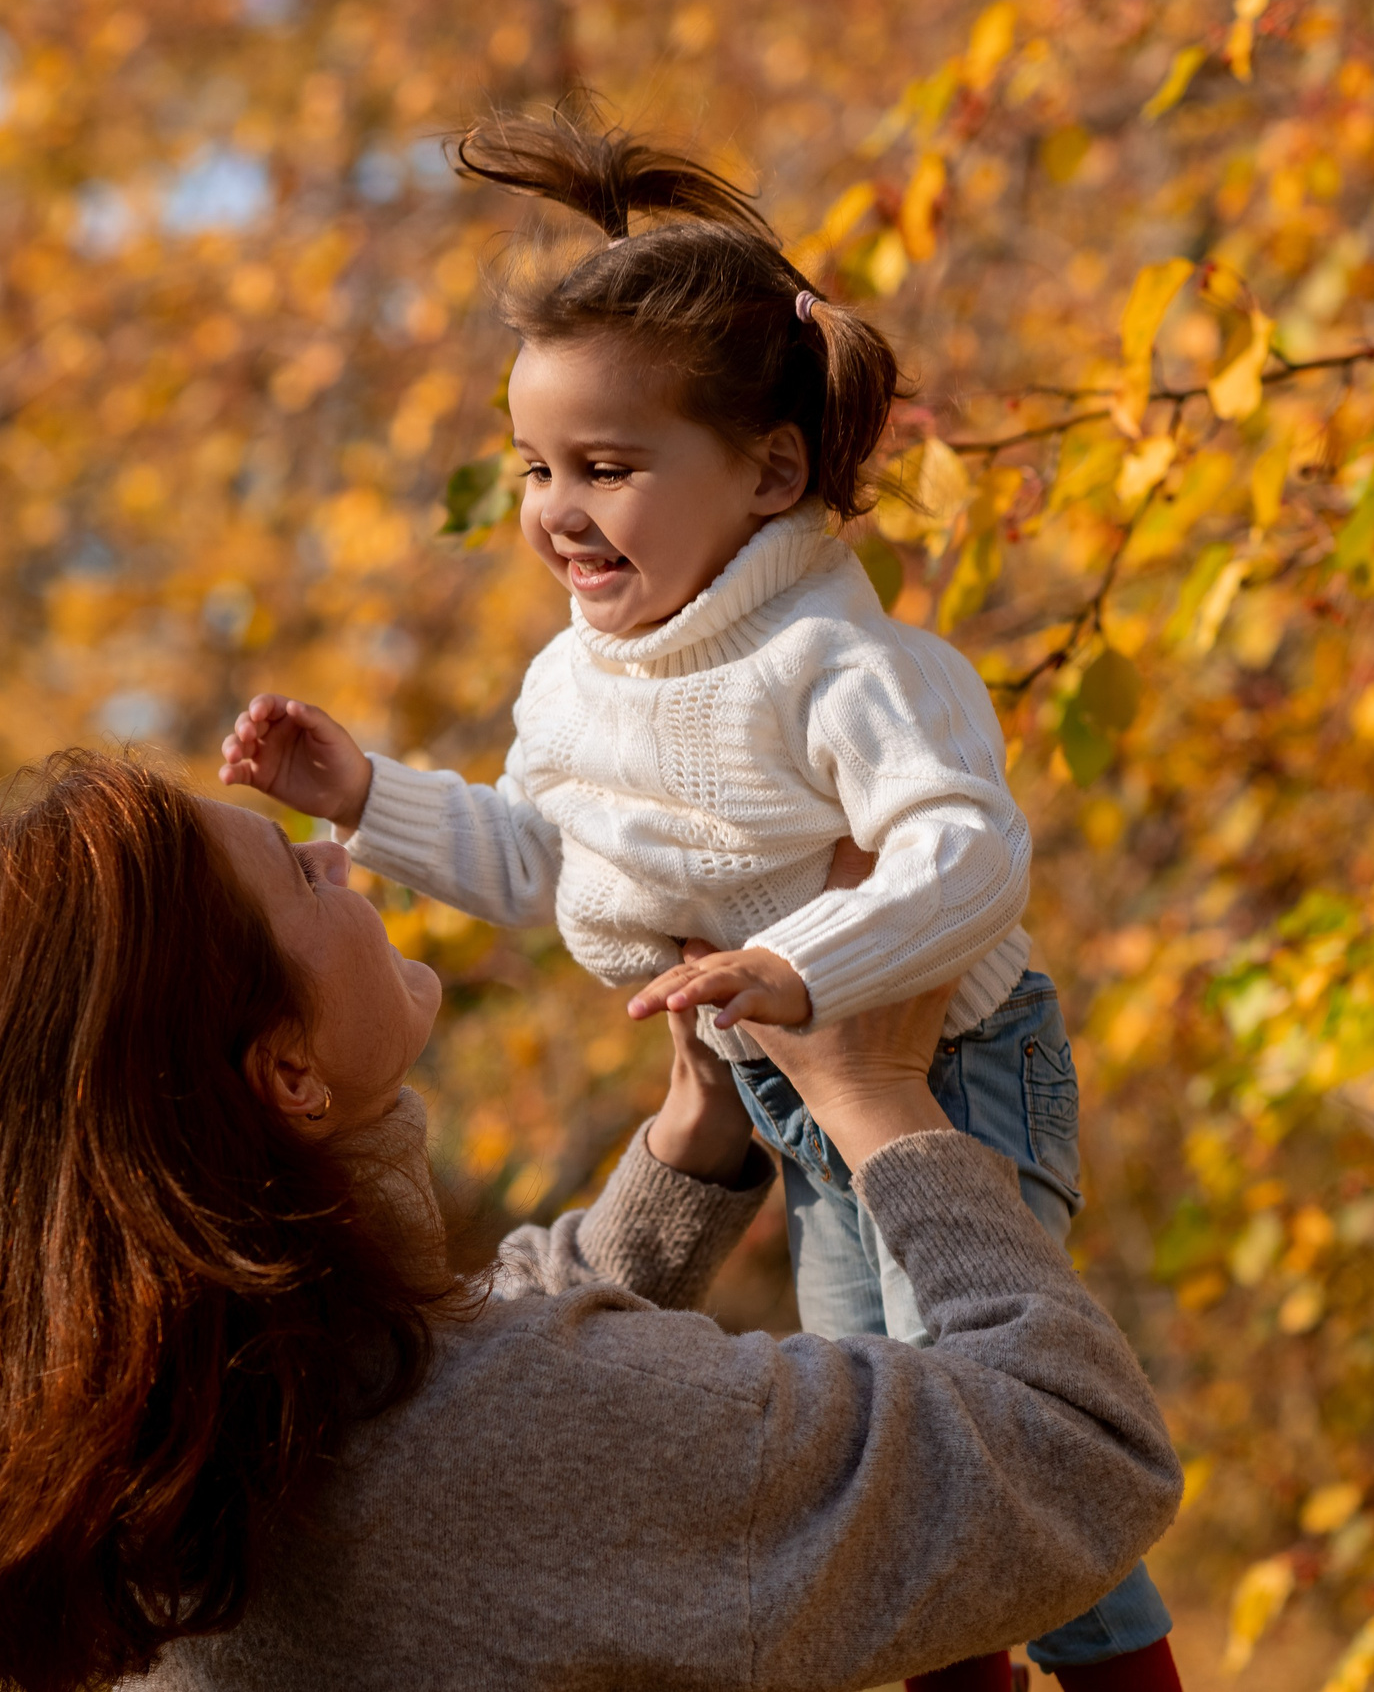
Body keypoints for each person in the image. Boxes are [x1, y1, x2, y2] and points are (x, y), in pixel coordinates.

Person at [217, 111, 1180, 1688]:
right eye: (537, 468)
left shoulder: (841, 664)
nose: (553, 509)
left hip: (944, 1077)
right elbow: (546, 860)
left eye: (606, 467)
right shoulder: (582, 682)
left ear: (773, 472)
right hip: (796, 1092)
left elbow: (966, 851)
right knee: (891, 1451)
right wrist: (368, 800)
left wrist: (802, 974)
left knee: (982, 1421)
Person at [0, 750, 1181, 1691]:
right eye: (298, 881)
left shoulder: (171, 1455)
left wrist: (693, 1146)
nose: (341, 864)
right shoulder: (489, 1449)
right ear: (286, 1073)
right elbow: (1078, 1455)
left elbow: (458, 1370)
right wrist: (881, 1103)